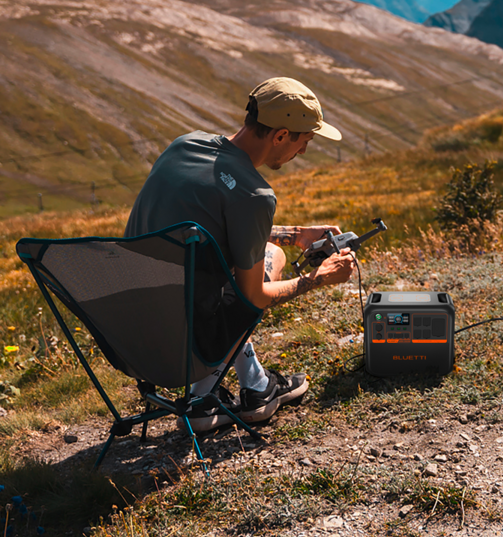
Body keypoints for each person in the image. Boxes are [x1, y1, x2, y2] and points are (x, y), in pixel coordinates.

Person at [125, 77, 356, 429]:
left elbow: (203, 228)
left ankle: (249, 387)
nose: (303, 152)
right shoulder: (255, 193)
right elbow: (255, 296)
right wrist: (319, 277)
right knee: (270, 257)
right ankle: (207, 395)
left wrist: (295, 233)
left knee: (259, 251)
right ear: (280, 136)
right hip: (184, 349)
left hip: (131, 338)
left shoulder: (183, 145)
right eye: (304, 141)